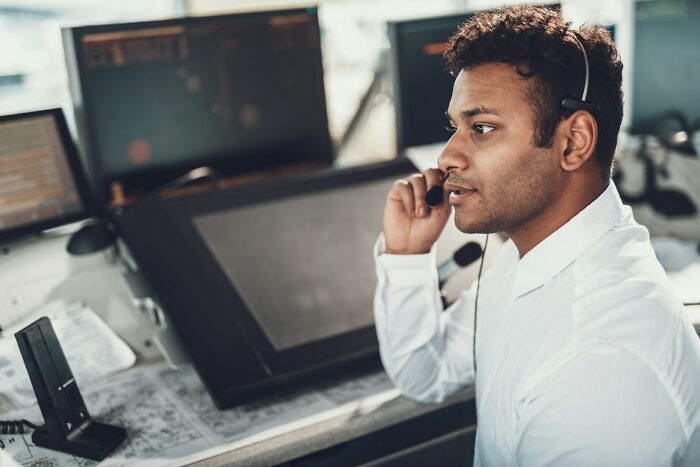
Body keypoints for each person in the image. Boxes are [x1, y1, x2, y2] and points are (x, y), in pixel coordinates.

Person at [373, 5, 700, 466]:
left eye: (481, 128)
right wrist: (407, 257)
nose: (448, 156)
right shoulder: (531, 253)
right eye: (456, 128)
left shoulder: (601, 369)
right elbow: (426, 374)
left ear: (573, 142)